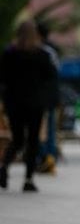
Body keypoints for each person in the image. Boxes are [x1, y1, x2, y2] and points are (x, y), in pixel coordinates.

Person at [0, 20, 58, 192]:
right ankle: (28, 179)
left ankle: (4, 168)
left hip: (14, 104)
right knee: (33, 140)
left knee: (17, 139)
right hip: (35, 104)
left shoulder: (10, 54)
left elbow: (2, 78)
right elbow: (51, 78)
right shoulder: (41, 55)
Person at [35, 21, 60, 174]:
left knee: (39, 129)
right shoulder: (52, 52)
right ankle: (49, 158)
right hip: (51, 97)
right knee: (49, 129)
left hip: (40, 98)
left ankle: (45, 158)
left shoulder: (40, 52)